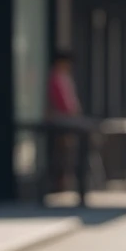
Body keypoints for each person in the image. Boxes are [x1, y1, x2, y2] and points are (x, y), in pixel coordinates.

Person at [47, 49, 82, 193]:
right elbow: (64, 103)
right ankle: (59, 184)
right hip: (61, 122)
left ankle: (65, 183)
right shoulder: (56, 78)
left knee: (66, 154)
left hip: (66, 121)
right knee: (61, 154)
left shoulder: (64, 78)